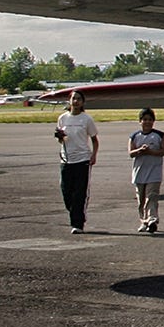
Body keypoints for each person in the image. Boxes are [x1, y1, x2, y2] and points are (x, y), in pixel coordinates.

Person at [54, 90, 99, 233]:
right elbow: (62, 139)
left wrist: (93, 155)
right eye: (74, 98)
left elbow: (94, 139)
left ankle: (77, 223)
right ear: (69, 101)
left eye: (79, 99)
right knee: (66, 191)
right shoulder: (63, 118)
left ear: (83, 102)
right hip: (66, 159)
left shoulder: (86, 119)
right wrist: (59, 137)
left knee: (80, 193)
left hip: (82, 159)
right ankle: (75, 213)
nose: (76, 101)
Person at [128, 107, 164, 234]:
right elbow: (131, 153)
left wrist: (151, 151)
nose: (147, 122)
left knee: (151, 196)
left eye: (150, 119)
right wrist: (140, 150)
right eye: (145, 119)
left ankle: (152, 220)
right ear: (140, 121)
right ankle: (143, 221)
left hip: (154, 173)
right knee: (141, 200)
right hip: (139, 173)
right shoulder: (135, 136)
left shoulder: (159, 135)